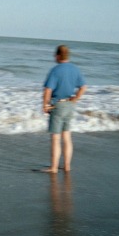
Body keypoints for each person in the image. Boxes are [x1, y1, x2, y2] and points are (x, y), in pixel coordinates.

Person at [42, 45, 86, 173]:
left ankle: (54, 167)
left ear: (58, 56)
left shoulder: (55, 70)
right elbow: (83, 87)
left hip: (58, 105)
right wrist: (76, 99)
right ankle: (67, 166)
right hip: (70, 105)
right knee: (67, 137)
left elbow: (48, 90)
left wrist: (45, 105)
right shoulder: (75, 69)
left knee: (56, 138)